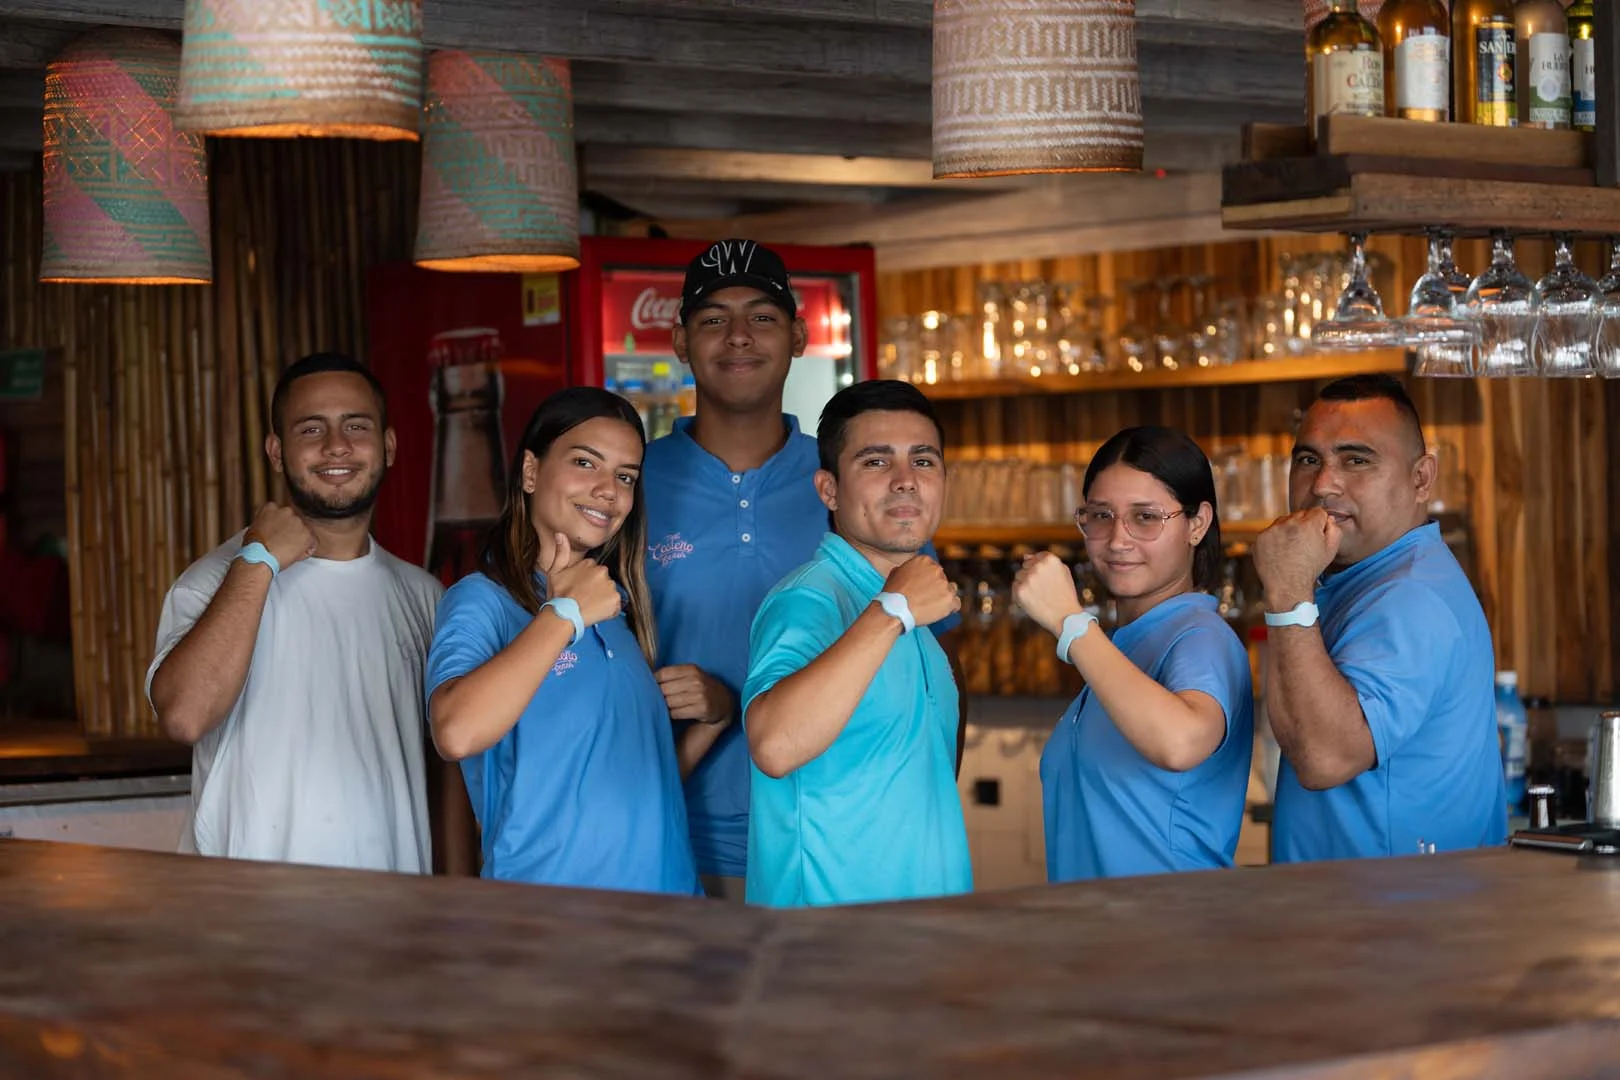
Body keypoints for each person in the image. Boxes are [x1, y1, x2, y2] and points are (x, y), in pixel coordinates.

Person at [643, 238, 961, 902]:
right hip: (669, 827)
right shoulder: (632, 481)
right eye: (712, 319)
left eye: (761, 317)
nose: (738, 337)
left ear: (799, 335)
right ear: (677, 339)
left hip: (837, 838)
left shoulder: (864, 479)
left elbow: (928, 678)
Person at [147, 352, 441, 872]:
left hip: (395, 914)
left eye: (356, 425)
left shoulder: (424, 597)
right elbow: (185, 715)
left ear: (389, 446)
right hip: (250, 920)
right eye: (312, 429)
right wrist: (258, 560)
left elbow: (448, 773)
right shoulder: (216, 581)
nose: (336, 446)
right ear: (276, 452)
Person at [424, 387, 701, 895]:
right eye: (584, 462)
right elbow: (454, 732)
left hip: (665, 914)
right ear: (530, 472)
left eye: (625, 476)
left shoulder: (616, 605)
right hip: (549, 921)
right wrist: (565, 615)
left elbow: (622, 781)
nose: (608, 490)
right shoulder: (483, 602)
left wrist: (714, 719)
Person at [1255, 374, 1505, 860]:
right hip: (1363, 914)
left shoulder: (1410, 596)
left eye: (1356, 460)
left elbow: (1325, 757)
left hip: (1395, 922)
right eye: (1308, 460)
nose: (1323, 484)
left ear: (1421, 478)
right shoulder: (1367, 579)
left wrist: (1285, 588)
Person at [741, 379, 970, 907]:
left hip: (918, 937)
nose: (906, 481)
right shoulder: (810, 601)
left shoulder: (910, 609)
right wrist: (892, 613)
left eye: (924, 461)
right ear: (829, 490)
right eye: (875, 462)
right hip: (828, 949)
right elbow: (774, 745)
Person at [1013, 427, 1253, 880]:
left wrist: (1071, 621)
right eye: (1101, 516)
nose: (1118, 539)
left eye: (1145, 518)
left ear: (1197, 524)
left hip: (1166, 934)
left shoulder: (1200, 635)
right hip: (1105, 938)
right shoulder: (1125, 644)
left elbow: (1181, 741)